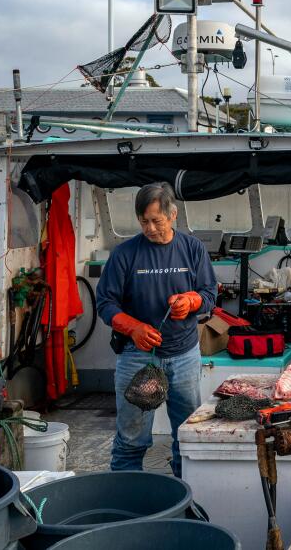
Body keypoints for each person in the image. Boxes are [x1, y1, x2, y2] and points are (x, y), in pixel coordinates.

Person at [95, 182, 217, 476]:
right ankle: (128, 501)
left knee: (187, 433)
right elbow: (105, 303)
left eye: (156, 221)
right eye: (143, 221)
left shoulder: (193, 248)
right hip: (137, 357)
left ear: (172, 215)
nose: (149, 228)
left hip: (184, 355)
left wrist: (191, 301)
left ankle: (185, 494)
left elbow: (210, 294)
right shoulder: (125, 254)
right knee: (131, 437)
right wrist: (134, 328)